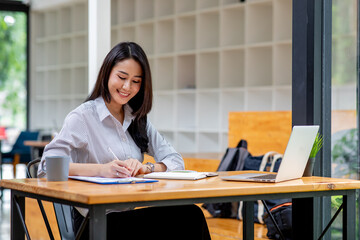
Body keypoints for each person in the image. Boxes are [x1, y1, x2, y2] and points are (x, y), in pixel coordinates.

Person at [38, 42, 211, 240]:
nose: (127, 87)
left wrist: (147, 168)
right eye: (122, 77)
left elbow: (175, 160)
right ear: (107, 73)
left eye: (136, 81)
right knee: (187, 218)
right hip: (94, 223)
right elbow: (47, 166)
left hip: (127, 219)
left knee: (189, 214)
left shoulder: (137, 119)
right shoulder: (83, 117)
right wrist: (102, 170)